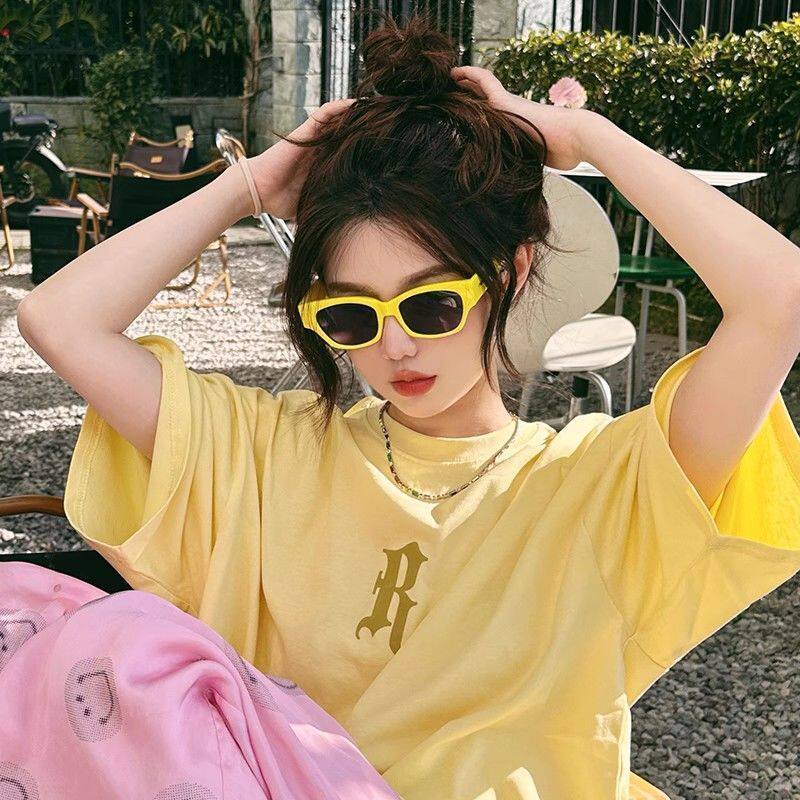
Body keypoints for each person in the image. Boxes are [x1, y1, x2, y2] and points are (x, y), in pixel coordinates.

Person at [14, 10, 800, 800]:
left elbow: (781, 297)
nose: (394, 347)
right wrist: (248, 185)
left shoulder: (602, 486)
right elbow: (58, 319)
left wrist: (584, 135)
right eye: (350, 316)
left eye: (431, 305)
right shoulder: (261, 452)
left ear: (511, 271)